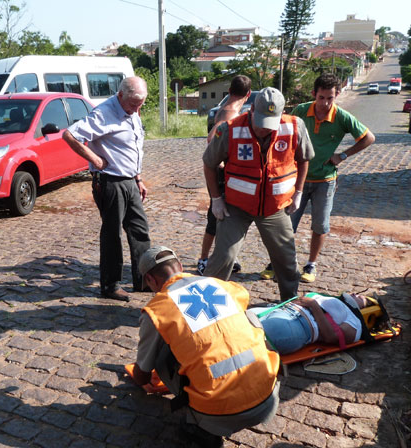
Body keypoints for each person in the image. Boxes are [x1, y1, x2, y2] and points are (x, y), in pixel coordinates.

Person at [132, 246, 280, 448]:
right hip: (268, 398)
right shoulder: (218, 284)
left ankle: (200, 427)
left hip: (218, 413)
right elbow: (241, 303)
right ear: (181, 267)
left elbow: (142, 376)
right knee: (249, 316)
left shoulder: (156, 311)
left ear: (150, 279)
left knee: (159, 349)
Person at [202, 87, 315, 300]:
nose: (265, 129)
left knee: (287, 259)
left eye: (270, 123)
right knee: (224, 257)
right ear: (251, 109)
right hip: (236, 206)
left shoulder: (294, 126)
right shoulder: (230, 129)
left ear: (281, 114)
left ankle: (290, 302)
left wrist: (299, 192)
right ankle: (206, 303)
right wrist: (216, 199)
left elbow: (304, 159)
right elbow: (209, 163)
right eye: (261, 121)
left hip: (275, 206)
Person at [261, 73, 375, 283]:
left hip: (326, 181)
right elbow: (285, 133)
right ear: (314, 94)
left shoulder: (342, 117)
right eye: (321, 97)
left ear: (337, 95)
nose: (325, 103)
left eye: (330, 98)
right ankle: (275, 263)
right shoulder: (302, 111)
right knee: (286, 224)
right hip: (298, 180)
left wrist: (342, 155)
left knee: (320, 226)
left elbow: (369, 138)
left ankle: (311, 265)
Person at [62, 76, 150, 302]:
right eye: (133, 103)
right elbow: (69, 135)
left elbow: (134, 146)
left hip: (130, 180)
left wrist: (138, 178)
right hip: (110, 181)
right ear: (120, 95)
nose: (136, 108)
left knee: (140, 230)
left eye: (141, 103)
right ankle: (110, 285)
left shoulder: (132, 111)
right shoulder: (103, 114)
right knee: (112, 234)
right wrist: (94, 159)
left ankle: (144, 279)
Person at [197, 75, 252, 276]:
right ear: (248, 95)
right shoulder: (229, 114)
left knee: (228, 219)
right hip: (221, 177)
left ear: (229, 91)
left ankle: (227, 255)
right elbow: (212, 140)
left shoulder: (230, 110)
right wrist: (221, 164)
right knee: (215, 219)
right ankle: (203, 259)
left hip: (229, 176)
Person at [249, 292, 369, 355]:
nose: (354, 294)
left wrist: (314, 306)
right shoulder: (333, 299)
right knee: (234, 321)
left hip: (298, 324)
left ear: (364, 309)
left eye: (360, 297)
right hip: (281, 310)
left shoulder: (355, 322)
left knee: (245, 337)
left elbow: (330, 337)